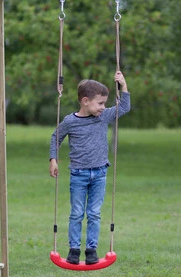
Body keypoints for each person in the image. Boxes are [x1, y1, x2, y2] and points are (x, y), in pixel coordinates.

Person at [50, 71, 130, 265]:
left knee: (94, 213)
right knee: (77, 213)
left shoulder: (103, 117)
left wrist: (124, 85)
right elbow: (55, 137)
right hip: (78, 174)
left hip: (100, 173)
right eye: (100, 103)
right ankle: (74, 250)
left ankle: (91, 250)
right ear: (85, 101)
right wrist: (53, 159)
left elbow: (124, 107)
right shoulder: (70, 121)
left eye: (104, 103)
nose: (103, 107)